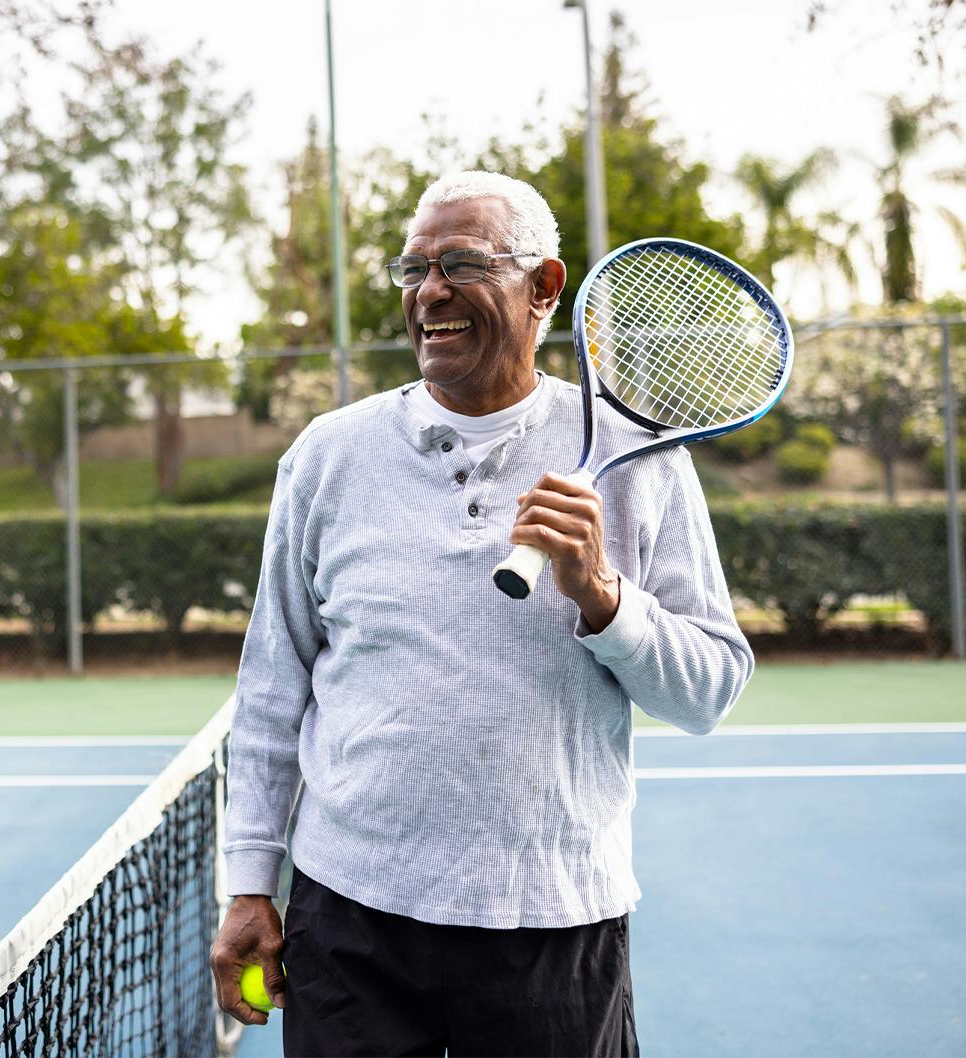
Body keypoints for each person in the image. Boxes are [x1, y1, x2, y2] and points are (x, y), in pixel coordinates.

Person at [209, 170, 753, 1057]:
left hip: (554, 918)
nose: (430, 293)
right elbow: (274, 686)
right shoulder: (327, 456)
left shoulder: (639, 459)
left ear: (544, 287)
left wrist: (603, 598)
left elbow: (710, 691)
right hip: (351, 919)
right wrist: (248, 883)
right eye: (413, 268)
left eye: (461, 263)